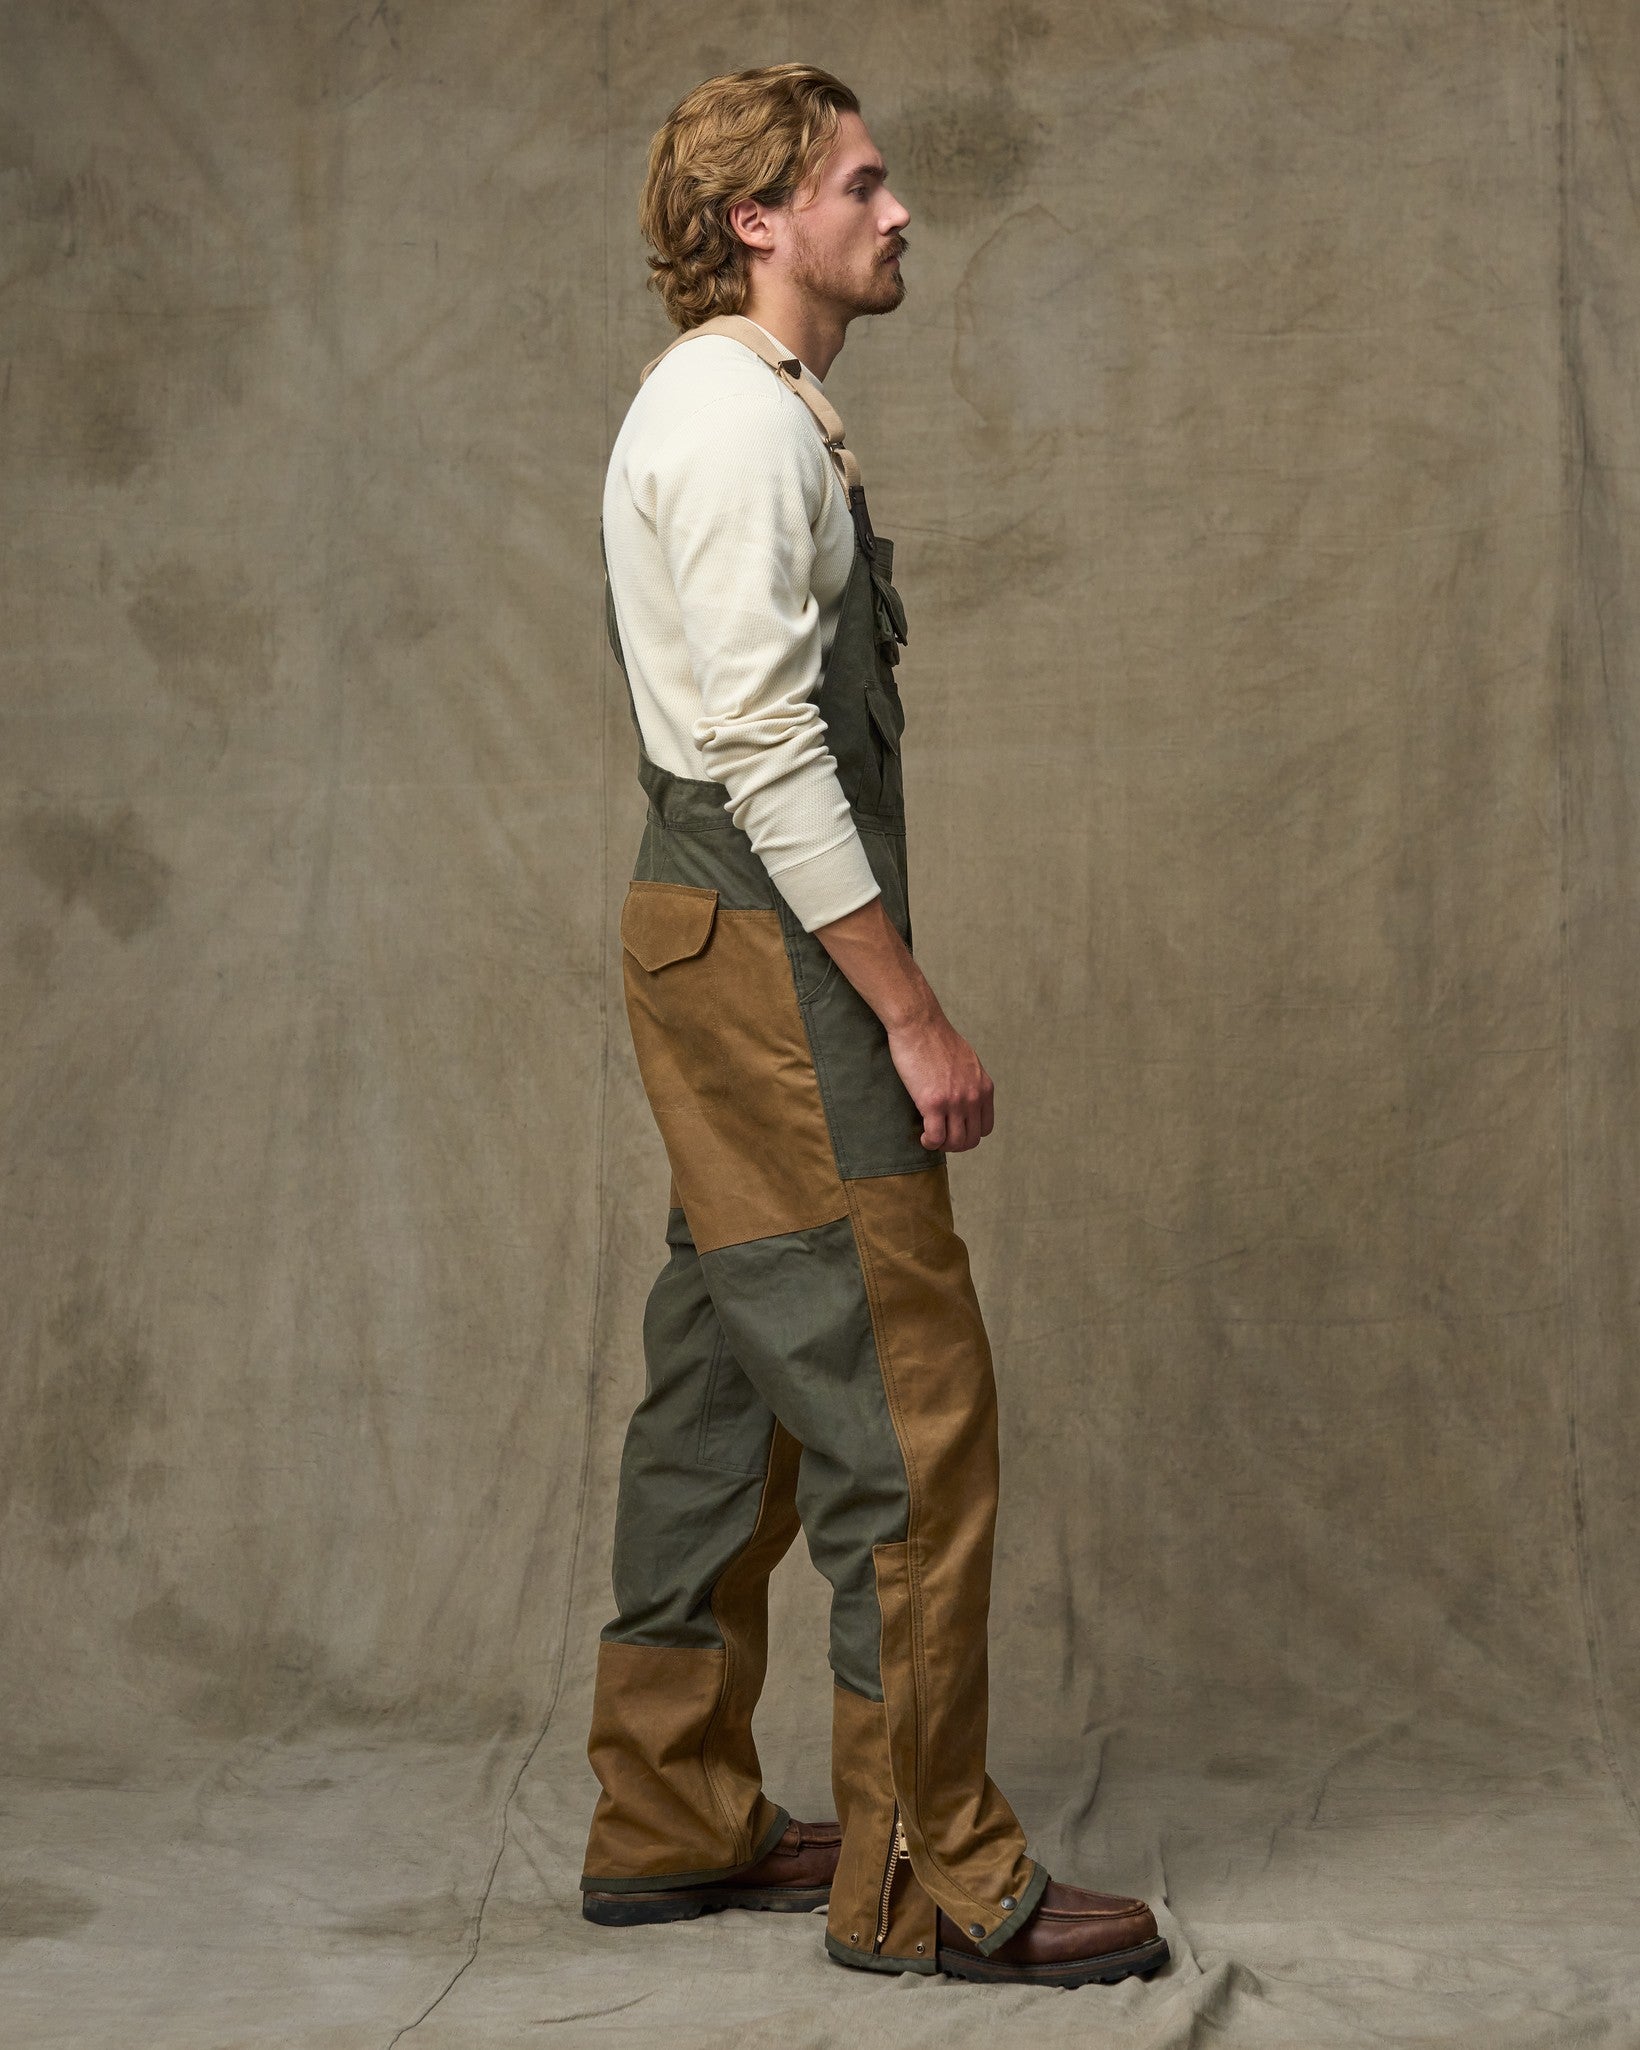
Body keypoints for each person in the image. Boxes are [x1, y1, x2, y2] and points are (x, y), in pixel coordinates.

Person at [579, 61, 1169, 1990]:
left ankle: (669, 1810)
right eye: (861, 182)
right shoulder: (736, 423)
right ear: (758, 219)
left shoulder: (754, 403)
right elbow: (766, 749)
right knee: (912, 1412)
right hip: (772, 958)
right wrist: (910, 1015)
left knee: (724, 1383)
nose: (899, 209)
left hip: (721, 944)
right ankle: (933, 1876)